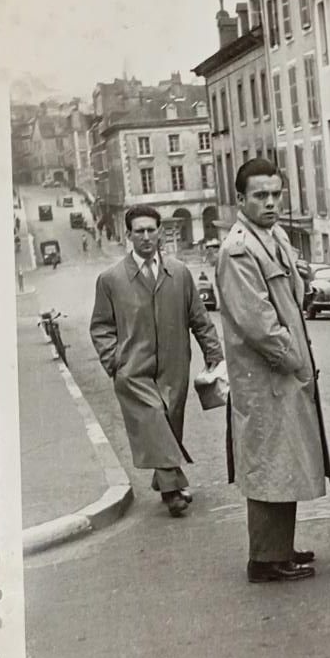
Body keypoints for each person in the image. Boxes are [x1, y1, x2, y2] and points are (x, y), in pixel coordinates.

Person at [216, 158, 330, 583]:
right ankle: (265, 560)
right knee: (269, 465)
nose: (270, 202)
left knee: (285, 463)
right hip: (267, 378)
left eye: (275, 194)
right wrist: (294, 360)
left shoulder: (274, 236)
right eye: (260, 195)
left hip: (281, 378)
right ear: (240, 199)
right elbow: (258, 324)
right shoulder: (238, 249)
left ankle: (280, 547)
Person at [90, 204, 223, 517]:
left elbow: (199, 319)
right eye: (139, 231)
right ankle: (173, 491)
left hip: (174, 367)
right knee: (153, 419)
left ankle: (165, 479)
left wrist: (214, 354)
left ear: (160, 231)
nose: (146, 237)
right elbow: (100, 327)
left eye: (152, 230)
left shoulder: (178, 273)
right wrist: (115, 363)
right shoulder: (111, 280)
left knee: (167, 426)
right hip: (133, 372)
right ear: (129, 235)